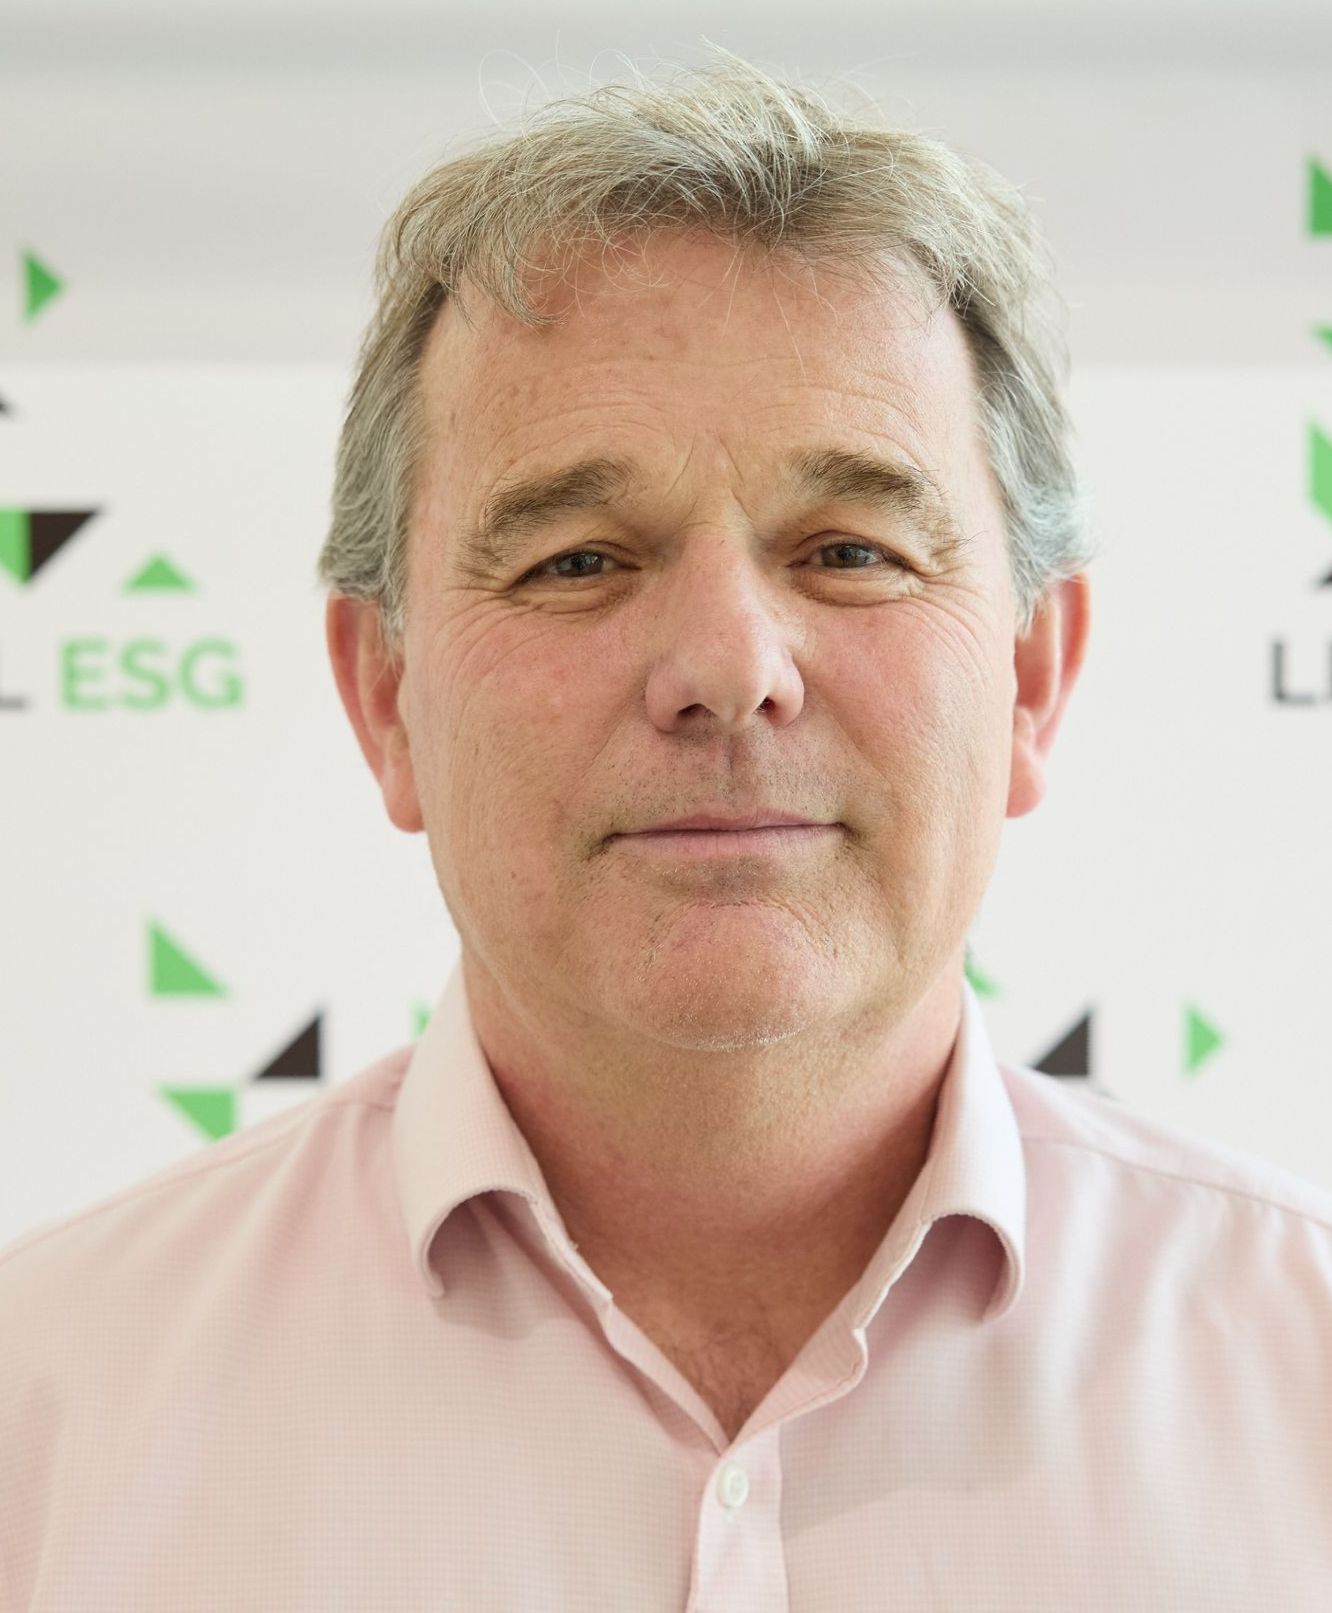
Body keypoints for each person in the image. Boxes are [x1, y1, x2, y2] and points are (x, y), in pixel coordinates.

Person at [3, 55, 1331, 1612]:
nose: (728, 669)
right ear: (384, 693)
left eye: (850, 548)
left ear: (1032, 677)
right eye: (576, 560)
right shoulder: (51, 1415)